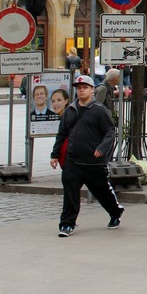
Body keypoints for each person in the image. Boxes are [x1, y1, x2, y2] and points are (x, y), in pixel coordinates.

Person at [50, 75, 124, 237]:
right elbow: (61, 135)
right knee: (70, 193)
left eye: (85, 87)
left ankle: (115, 212)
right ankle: (67, 224)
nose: (81, 90)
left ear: (92, 90)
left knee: (101, 191)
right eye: (79, 88)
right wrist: (54, 155)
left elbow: (110, 132)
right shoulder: (70, 110)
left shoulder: (99, 110)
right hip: (72, 160)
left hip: (93, 161)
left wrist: (101, 149)